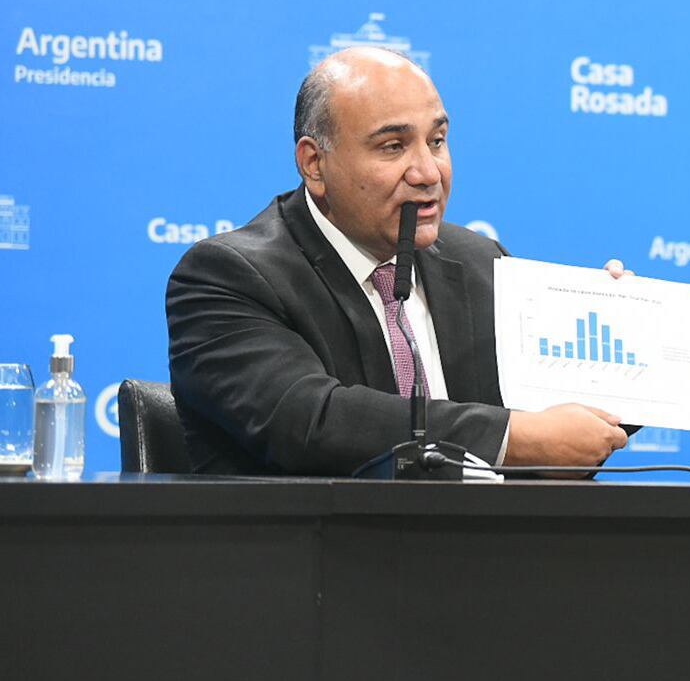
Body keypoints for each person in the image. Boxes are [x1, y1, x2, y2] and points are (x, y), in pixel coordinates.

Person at [166, 46, 633, 475]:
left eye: (437, 141)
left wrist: (622, 348)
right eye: (393, 146)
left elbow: (558, 432)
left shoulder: (479, 262)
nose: (428, 172)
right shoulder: (229, 277)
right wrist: (513, 437)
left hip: (490, 555)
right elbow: (312, 422)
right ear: (314, 164)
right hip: (316, 557)